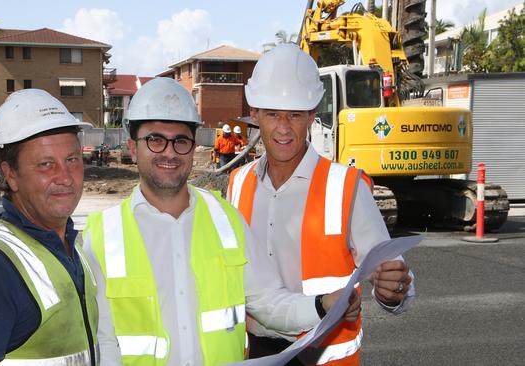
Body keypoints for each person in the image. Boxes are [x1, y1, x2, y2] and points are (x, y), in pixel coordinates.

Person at [82, 77, 361, 365]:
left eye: (180, 141)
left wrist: (322, 304)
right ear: (132, 147)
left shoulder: (225, 218)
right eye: (155, 139)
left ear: (192, 147)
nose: (169, 152)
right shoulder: (102, 236)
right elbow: (102, 342)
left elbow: (267, 302)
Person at [228, 43, 415, 365]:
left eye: (296, 115)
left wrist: (395, 291)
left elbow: (392, 273)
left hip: (325, 355)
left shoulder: (347, 187)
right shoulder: (238, 183)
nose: (284, 127)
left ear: (312, 114)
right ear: (255, 114)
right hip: (253, 351)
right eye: (272, 114)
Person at [0, 89, 99, 366]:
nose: (66, 177)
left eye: (72, 159)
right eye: (46, 164)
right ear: (10, 174)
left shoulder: (71, 247)